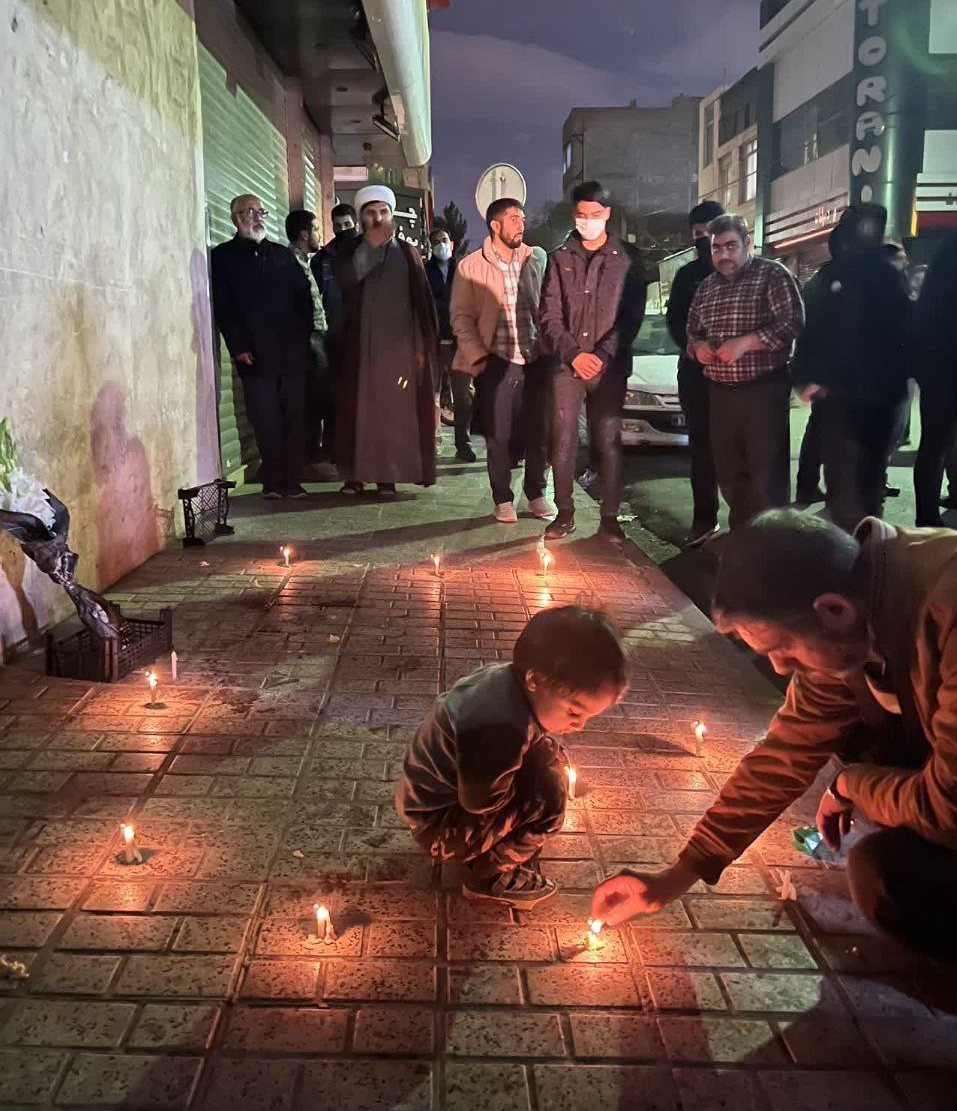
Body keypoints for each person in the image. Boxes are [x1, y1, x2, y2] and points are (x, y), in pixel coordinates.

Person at [592, 510, 957, 958]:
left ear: (834, 610)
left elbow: (948, 810)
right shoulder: (851, 617)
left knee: (885, 878)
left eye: (783, 650)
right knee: (881, 863)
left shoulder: (947, 606)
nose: (782, 669)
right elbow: (786, 752)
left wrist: (850, 784)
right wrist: (676, 876)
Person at [396, 605, 628, 908]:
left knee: (546, 761)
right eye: (574, 712)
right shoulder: (501, 726)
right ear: (535, 680)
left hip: (431, 804)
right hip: (439, 828)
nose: (580, 726)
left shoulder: (505, 679)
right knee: (549, 800)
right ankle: (487, 876)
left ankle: (496, 846)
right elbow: (481, 802)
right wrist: (539, 774)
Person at [791, 205, 910, 534]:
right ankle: (861, 546)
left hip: (863, 396)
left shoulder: (859, 276)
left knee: (854, 482)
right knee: (859, 481)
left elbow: (811, 329)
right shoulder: (874, 275)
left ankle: (857, 548)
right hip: (857, 396)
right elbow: (812, 329)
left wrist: (807, 376)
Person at [540, 181, 647, 544]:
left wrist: (601, 355)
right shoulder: (558, 259)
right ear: (574, 215)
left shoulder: (628, 259)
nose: (588, 221)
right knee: (563, 440)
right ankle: (564, 513)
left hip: (610, 366)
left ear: (607, 214)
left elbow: (630, 317)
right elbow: (549, 315)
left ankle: (610, 517)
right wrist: (574, 354)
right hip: (567, 367)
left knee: (608, 440)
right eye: (582, 215)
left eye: (595, 214)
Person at [686, 214, 804, 530]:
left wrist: (748, 342)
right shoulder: (707, 287)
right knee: (729, 474)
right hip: (720, 394)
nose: (724, 255)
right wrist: (699, 347)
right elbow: (692, 331)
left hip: (762, 390)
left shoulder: (772, 275)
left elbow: (792, 323)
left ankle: (772, 544)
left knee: (767, 476)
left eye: (731, 246)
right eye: (717, 248)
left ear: (747, 244)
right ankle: (742, 539)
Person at [450, 197, 554, 523]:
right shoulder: (471, 266)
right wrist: (477, 357)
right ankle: (503, 499)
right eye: (513, 219)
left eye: (522, 218)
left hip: (537, 358)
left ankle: (536, 493)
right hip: (497, 359)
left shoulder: (536, 258)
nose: (521, 225)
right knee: (499, 435)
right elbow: (461, 317)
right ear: (496, 225)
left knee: (540, 431)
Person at [333, 185, 438, 497]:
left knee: (391, 415)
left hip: (397, 351)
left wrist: (421, 349)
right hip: (357, 350)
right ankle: (354, 476)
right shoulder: (349, 250)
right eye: (371, 213)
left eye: (383, 212)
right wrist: (369, 249)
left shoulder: (407, 253)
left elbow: (422, 305)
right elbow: (345, 282)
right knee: (356, 413)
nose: (378, 218)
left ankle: (386, 476)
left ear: (392, 215)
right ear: (361, 218)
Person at [211, 194, 314, 499]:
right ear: (235, 219)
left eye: (261, 212)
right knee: (265, 418)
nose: (257, 218)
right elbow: (224, 306)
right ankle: (272, 481)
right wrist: (238, 345)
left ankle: (292, 481)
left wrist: (303, 339)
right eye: (249, 212)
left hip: (291, 354)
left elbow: (304, 300)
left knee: (293, 417)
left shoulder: (282, 256)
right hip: (254, 355)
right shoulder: (223, 257)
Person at [665, 200, 725, 547]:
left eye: (710, 232)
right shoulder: (688, 276)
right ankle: (704, 518)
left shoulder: (747, 271)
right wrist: (695, 347)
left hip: (739, 379)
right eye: (698, 234)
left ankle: (750, 524)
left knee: (739, 451)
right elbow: (675, 321)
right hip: (695, 374)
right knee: (702, 451)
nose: (705, 240)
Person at [913, 229, 957, 526]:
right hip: (942, 367)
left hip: (937, 371)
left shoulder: (935, 286)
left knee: (934, 445)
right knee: (937, 445)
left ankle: (927, 518)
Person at [286, 209, 333, 464]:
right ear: (304, 234)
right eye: (315, 229)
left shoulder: (303, 261)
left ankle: (313, 454)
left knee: (318, 397)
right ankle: (308, 458)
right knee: (311, 401)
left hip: (316, 338)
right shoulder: (290, 264)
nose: (319, 235)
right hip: (308, 340)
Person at [426, 225, 474, 462]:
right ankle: (432, 443)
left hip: (459, 345)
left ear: (452, 244)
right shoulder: (424, 272)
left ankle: (463, 444)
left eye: (443, 240)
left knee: (462, 397)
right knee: (432, 396)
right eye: (435, 242)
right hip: (433, 344)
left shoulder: (464, 271)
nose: (440, 245)